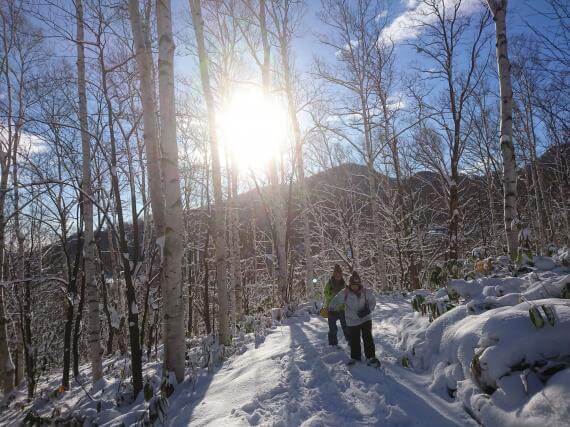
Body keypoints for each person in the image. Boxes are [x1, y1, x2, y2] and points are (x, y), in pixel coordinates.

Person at [329, 271, 380, 367]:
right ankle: (356, 357)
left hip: (366, 319)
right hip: (352, 321)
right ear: (350, 284)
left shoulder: (365, 292)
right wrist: (332, 309)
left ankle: (371, 357)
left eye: (356, 285)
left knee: (367, 338)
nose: (355, 287)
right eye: (353, 285)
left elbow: (372, 301)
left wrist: (368, 310)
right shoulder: (345, 293)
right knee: (354, 339)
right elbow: (335, 301)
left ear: (359, 284)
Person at [323, 264, 350, 347]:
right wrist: (332, 294)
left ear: (341, 274)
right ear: (334, 274)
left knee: (346, 327)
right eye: (336, 273)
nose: (338, 275)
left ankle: (350, 341)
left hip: (342, 309)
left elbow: (347, 296)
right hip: (331, 309)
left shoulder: (344, 284)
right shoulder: (329, 283)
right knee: (332, 328)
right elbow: (326, 293)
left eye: (339, 273)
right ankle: (333, 344)